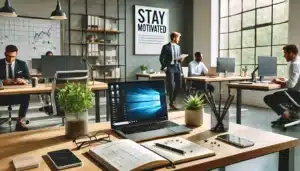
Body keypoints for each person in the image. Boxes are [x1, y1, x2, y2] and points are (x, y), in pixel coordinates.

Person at [264, 44, 300, 120]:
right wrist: (284, 80)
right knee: (275, 95)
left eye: (285, 53)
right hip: (297, 93)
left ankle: (286, 116)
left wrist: (277, 81)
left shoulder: (295, 64)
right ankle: (291, 115)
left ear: (291, 53)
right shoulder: (298, 61)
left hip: (297, 95)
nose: (284, 56)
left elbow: (290, 85)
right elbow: (296, 80)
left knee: (268, 98)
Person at [0, 45, 30, 131]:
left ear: (16, 55)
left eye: (13, 57)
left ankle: (20, 121)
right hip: (2, 96)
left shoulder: (22, 64)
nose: (10, 59)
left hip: (17, 96)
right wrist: (2, 82)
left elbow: (30, 80)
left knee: (26, 96)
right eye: (8, 56)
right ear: (5, 54)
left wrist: (25, 81)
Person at [160, 32, 185, 110]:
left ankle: (172, 101)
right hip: (170, 68)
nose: (179, 40)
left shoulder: (178, 47)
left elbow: (178, 58)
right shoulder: (166, 47)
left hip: (177, 67)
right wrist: (164, 66)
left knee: (179, 85)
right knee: (171, 85)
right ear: (174, 38)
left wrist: (181, 59)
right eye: (178, 38)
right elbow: (161, 58)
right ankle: (171, 102)